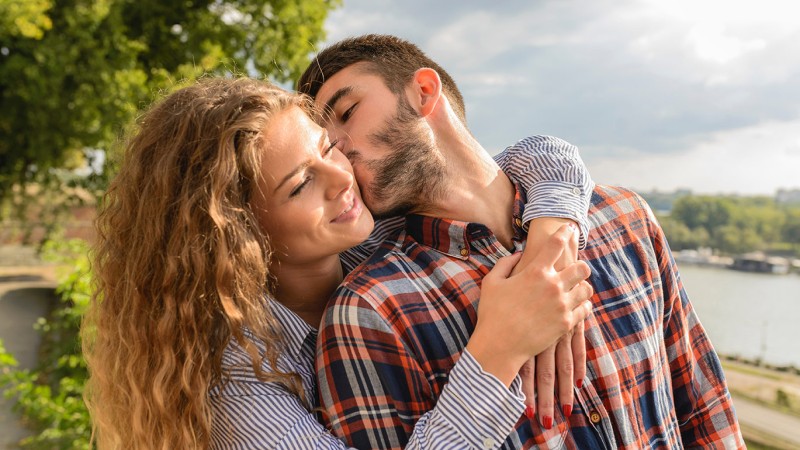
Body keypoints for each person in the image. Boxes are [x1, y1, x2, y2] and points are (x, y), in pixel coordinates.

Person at [82, 77, 597, 449]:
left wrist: (550, 244)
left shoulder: (373, 236)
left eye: (329, 147)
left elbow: (537, 157)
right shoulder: (236, 379)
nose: (342, 177)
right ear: (239, 234)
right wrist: (497, 351)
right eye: (302, 184)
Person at [297, 34, 745, 449]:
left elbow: (705, 412)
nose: (339, 147)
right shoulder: (367, 313)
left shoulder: (625, 217)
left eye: (347, 112)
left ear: (424, 92)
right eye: (325, 144)